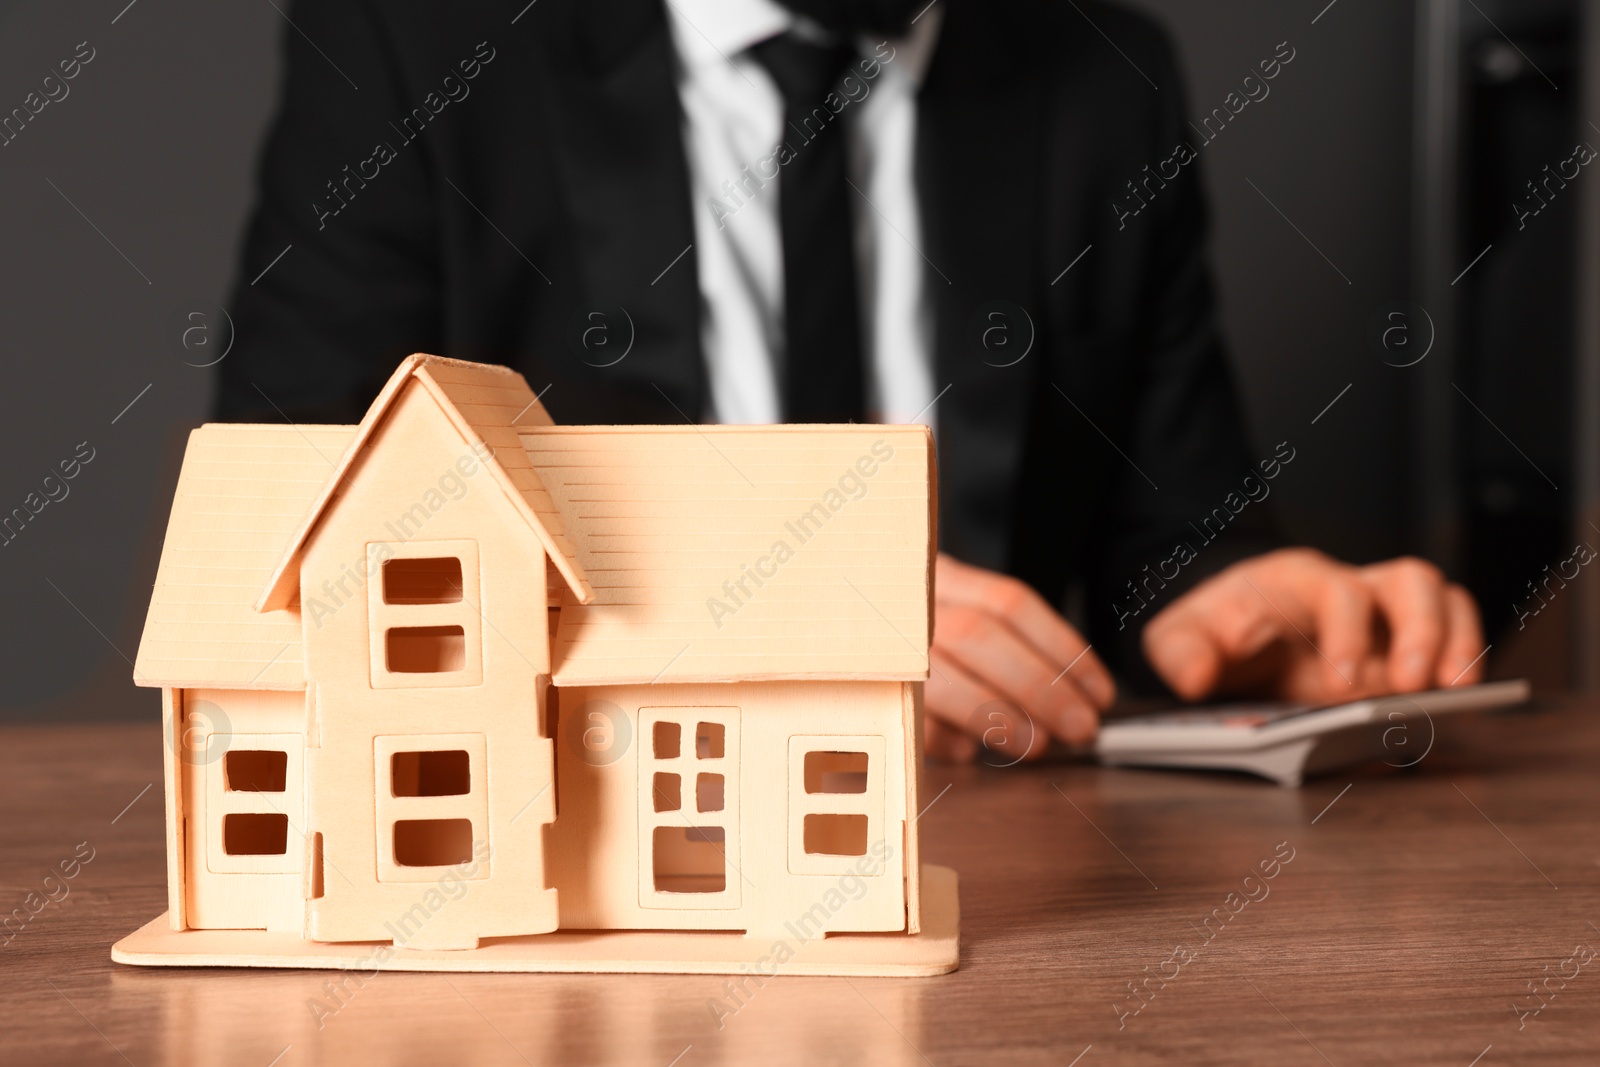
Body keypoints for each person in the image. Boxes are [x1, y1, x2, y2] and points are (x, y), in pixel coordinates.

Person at [218, 0, 1484, 762]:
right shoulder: (409, 38)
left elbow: (1168, 529)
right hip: (598, 869)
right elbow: (295, 536)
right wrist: (781, 610)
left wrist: (1238, 610)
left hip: (1007, 870)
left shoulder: (1105, 72)